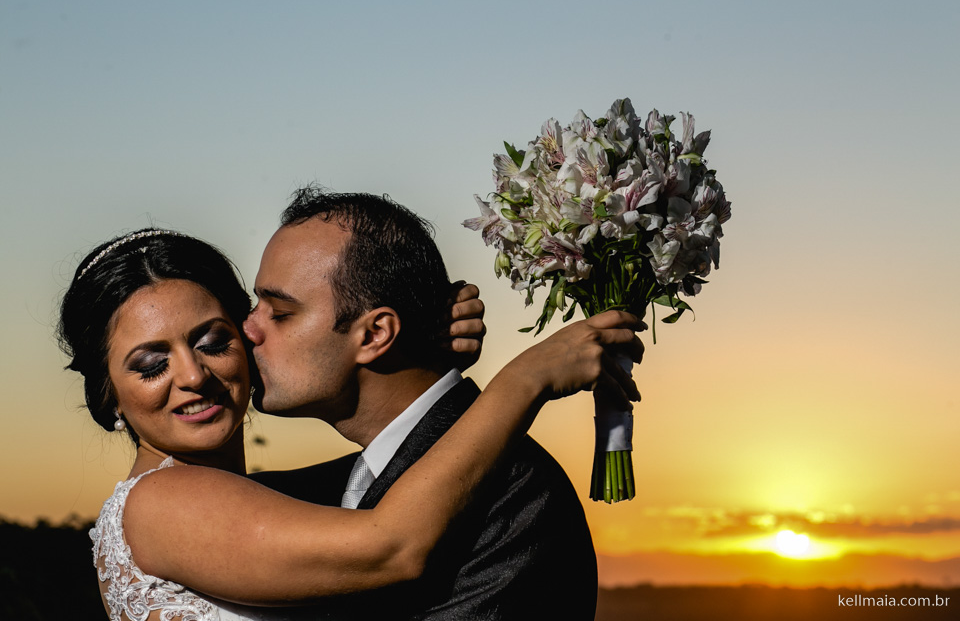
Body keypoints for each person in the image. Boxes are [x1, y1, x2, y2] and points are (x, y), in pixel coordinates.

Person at [57, 228, 644, 621]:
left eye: (212, 341)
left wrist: (415, 342)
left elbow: (395, 463)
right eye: (151, 365)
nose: (193, 375)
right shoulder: (167, 502)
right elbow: (392, 544)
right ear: (107, 396)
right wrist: (524, 380)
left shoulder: (261, 499)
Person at [246, 189, 614, 619]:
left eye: (280, 312)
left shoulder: (514, 497)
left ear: (375, 334)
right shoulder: (296, 495)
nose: (247, 329)